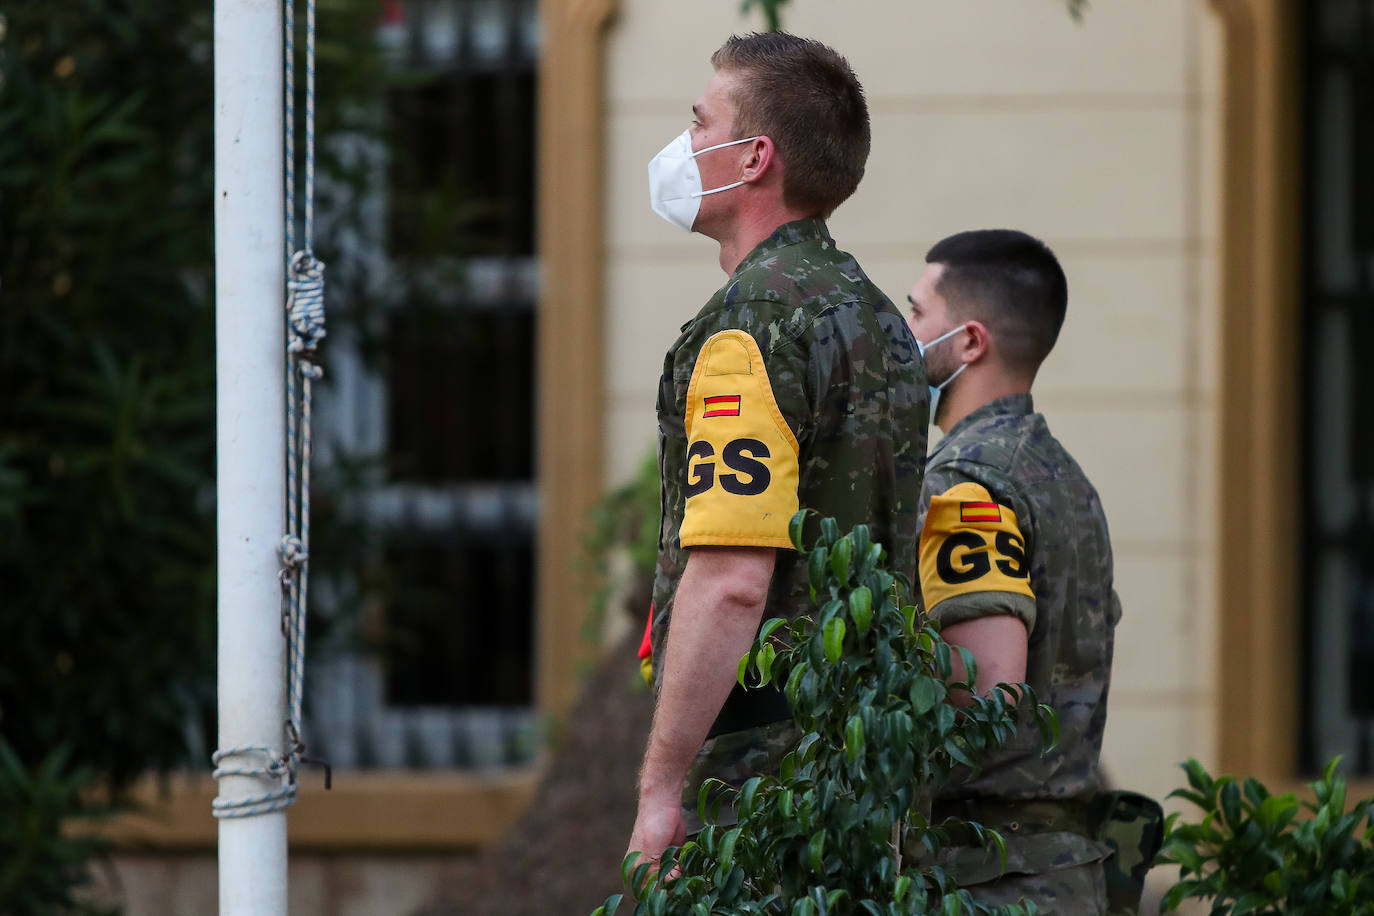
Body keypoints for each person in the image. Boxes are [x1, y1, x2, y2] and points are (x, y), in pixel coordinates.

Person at [626, 32, 928, 868]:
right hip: (871, 771)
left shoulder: (754, 323)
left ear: (754, 156)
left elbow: (729, 579)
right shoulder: (877, 318)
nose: (683, 147)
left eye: (699, 125)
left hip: (760, 789)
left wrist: (662, 787)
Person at [905, 230, 1123, 913]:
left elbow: (982, 696)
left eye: (916, 313)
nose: (901, 333)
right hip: (1058, 872)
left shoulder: (967, 486)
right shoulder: (1062, 477)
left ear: (970, 342)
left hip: (984, 880)